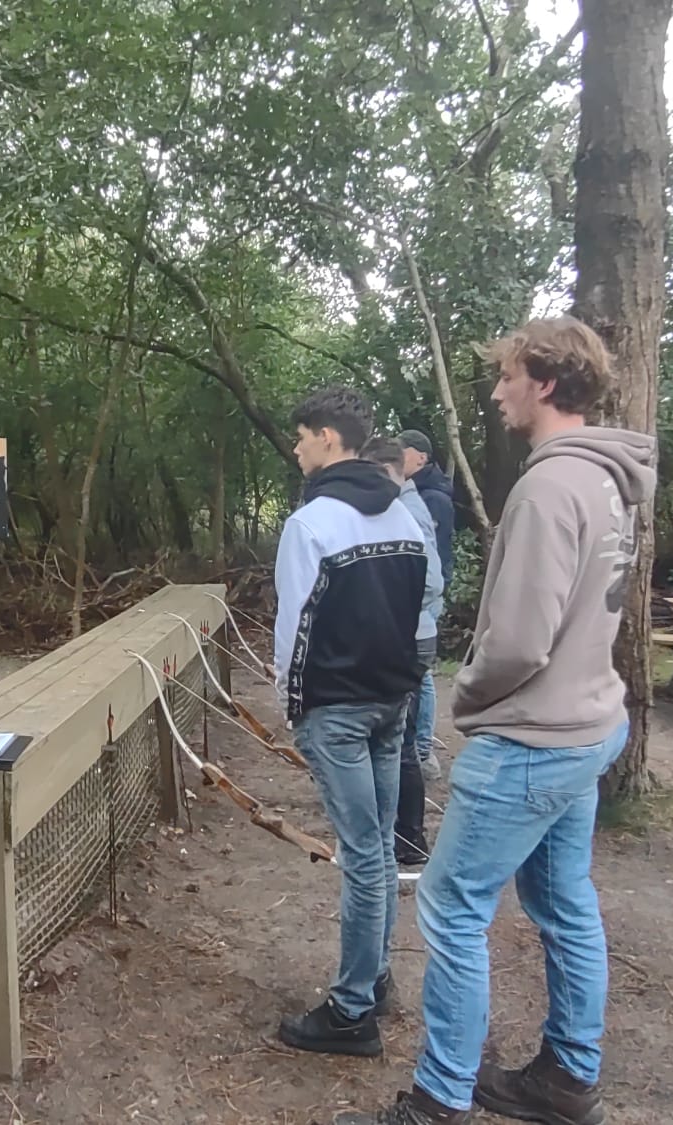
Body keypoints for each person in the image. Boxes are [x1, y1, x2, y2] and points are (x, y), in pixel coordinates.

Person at [339, 317, 655, 1125]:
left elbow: (518, 640)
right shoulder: (609, 480)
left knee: (449, 905)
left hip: (532, 738)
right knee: (564, 900)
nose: (498, 390)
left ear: (545, 382)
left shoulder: (550, 486)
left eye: (508, 376)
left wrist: (471, 692)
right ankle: (568, 1073)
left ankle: (440, 1099)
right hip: (590, 723)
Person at [273, 389, 429, 1059]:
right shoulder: (405, 516)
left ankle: (351, 1010)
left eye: (303, 435)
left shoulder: (311, 524)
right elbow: (417, 612)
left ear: (331, 440)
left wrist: (293, 706)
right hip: (393, 703)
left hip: (336, 710)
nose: (298, 447)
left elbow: (294, 629)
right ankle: (374, 975)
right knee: (381, 853)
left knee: (364, 859)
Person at [360, 438, 445, 874]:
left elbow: (431, 582)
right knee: (393, 741)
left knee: (403, 744)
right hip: (404, 635)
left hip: (410, 638)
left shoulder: (407, 511)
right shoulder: (398, 507)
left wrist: (384, 602)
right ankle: (390, 835)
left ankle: (409, 841)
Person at [398, 430, 456, 784]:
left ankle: (421, 749)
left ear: (420, 456)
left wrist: (432, 593)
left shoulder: (431, 498)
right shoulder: (416, 493)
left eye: (402, 453)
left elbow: (432, 558)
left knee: (423, 675)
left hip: (426, 598)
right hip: (422, 596)